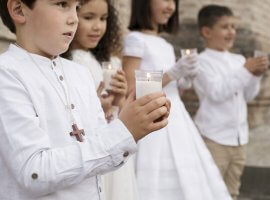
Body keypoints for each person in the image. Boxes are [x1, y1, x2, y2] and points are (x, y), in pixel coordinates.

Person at [0, 0, 170, 199]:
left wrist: (132, 122)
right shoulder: (7, 73)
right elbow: (34, 172)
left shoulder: (79, 73)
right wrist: (124, 131)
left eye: (77, 8)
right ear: (19, 10)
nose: (74, 19)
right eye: (62, 4)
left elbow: (101, 158)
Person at [122, 0, 231, 200]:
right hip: (152, 122)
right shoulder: (135, 40)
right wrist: (173, 73)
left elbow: (171, 89)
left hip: (177, 117)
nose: (171, 7)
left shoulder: (165, 44)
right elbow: (132, 91)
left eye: (174, 1)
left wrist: (185, 79)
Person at [193, 5, 269, 200]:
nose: (232, 32)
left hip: (239, 138)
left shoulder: (238, 60)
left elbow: (248, 96)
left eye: (233, 27)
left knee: (232, 192)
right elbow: (217, 92)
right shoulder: (200, 62)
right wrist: (246, 70)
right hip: (214, 138)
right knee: (210, 190)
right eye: (225, 27)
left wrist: (255, 76)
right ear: (207, 31)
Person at [64, 0, 138, 199]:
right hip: (91, 151)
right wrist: (95, 104)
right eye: (88, 18)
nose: (98, 26)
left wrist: (119, 98)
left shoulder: (111, 62)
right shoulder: (67, 63)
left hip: (114, 146)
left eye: (104, 19)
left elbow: (118, 111)